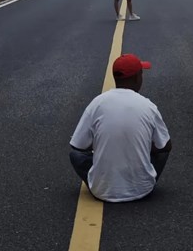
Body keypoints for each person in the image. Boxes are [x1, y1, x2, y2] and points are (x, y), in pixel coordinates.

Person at [69, 53, 171, 202]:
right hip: (142, 190)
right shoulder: (148, 106)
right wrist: (143, 146)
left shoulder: (97, 103)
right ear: (137, 78)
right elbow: (166, 146)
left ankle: (103, 183)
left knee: (75, 156)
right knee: (161, 151)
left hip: (101, 192)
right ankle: (144, 180)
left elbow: (78, 146)